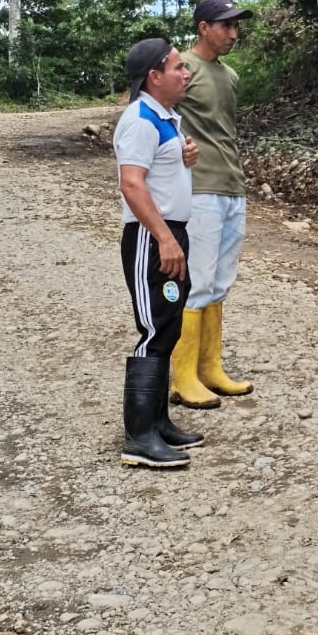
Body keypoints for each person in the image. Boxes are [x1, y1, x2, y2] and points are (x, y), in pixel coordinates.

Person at [114, 38, 204, 468]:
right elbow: (131, 184)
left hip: (169, 233)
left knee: (168, 325)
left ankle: (158, 422)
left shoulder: (165, 117)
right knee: (154, 329)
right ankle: (139, 438)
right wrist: (164, 238)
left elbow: (159, 171)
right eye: (177, 67)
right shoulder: (140, 120)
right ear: (154, 76)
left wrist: (185, 155)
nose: (186, 73)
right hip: (151, 237)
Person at [170, 0, 256, 410]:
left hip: (232, 185)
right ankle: (182, 376)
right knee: (197, 281)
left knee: (220, 281)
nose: (234, 34)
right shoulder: (182, 69)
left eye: (236, 26)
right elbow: (158, 116)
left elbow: (224, 130)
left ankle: (210, 368)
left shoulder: (230, 76)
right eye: (225, 26)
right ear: (203, 27)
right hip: (199, 188)